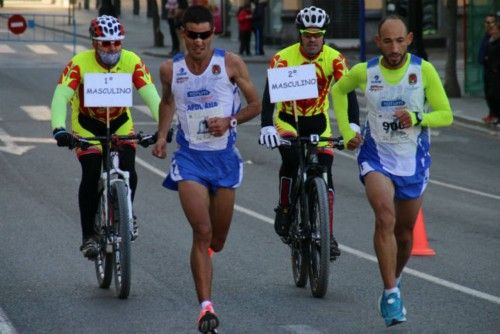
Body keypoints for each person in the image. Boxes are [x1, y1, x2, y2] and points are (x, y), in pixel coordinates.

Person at [331, 16, 453, 327]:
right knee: (385, 217)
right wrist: (347, 131)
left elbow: (446, 115)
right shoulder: (365, 71)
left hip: (412, 160)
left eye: (400, 41)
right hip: (376, 157)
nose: (394, 47)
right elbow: (338, 91)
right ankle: (390, 294)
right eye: (388, 41)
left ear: (409, 39)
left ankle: (394, 280)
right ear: (378, 42)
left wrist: (417, 117)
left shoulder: (422, 70)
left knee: (405, 232)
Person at [151, 6, 260, 333]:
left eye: (205, 35)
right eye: (192, 35)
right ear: (183, 33)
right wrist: (161, 136)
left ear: (213, 34)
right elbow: (167, 101)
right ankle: (206, 308)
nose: (198, 42)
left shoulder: (230, 63)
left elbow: (256, 104)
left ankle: (208, 262)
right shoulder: (171, 69)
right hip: (190, 160)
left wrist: (229, 121)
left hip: (224, 159)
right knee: (202, 232)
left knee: (218, 239)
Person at [50, 16, 160, 259]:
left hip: (120, 122)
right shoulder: (79, 63)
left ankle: (125, 214)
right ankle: (88, 235)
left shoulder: (132, 61)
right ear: (94, 43)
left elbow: (151, 95)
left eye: (116, 43)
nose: (112, 49)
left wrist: (164, 125)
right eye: (105, 44)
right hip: (87, 124)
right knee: (90, 172)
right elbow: (60, 97)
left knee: (129, 168)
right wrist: (59, 128)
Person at [258, 6, 359, 262]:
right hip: (287, 121)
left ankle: (328, 233)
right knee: (291, 161)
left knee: (326, 171)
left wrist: (353, 126)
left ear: (324, 34)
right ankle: (283, 208)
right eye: (307, 34)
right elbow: (269, 97)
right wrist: (266, 125)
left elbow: (347, 93)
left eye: (317, 34)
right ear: (300, 34)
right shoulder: (283, 58)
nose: (312, 39)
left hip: (318, 123)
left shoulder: (335, 59)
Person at [478, 14, 497, 123]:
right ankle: (491, 113)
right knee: (488, 93)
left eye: (491, 22)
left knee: (493, 93)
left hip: (493, 70)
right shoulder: (486, 37)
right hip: (487, 69)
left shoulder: (495, 37)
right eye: (487, 22)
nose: (489, 25)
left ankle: (495, 114)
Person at [483, 20, 500, 125]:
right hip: (490, 72)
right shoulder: (490, 41)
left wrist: (496, 66)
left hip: (497, 72)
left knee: (497, 94)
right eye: (491, 29)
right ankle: (495, 114)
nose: (492, 31)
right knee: (491, 94)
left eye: (494, 29)